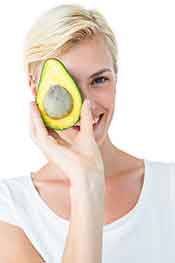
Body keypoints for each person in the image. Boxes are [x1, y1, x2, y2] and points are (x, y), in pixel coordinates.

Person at [0, 4, 175, 263]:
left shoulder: (169, 186)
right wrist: (85, 181)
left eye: (99, 80)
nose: (86, 106)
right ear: (34, 88)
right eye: (63, 86)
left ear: (117, 77)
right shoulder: (10, 207)